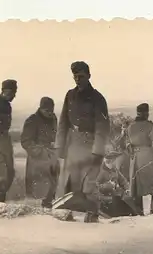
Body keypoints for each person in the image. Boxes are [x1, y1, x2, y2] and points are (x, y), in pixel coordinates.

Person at [54, 61, 110, 223]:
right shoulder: (70, 95)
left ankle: (92, 215)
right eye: (75, 76)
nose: (78, 79)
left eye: (81, 76)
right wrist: (60, 145)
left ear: (89, 76)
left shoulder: (97, 98)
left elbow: (102, 126)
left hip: (90, 144)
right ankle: (69, 214)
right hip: (73, 143)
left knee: (89, 183)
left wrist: (97, 150)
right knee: (72, 180)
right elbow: (63, 121)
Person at [20, 97, 60, 208]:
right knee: (37, 193)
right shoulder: (32, 120)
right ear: (41, 108)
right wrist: (40, 152)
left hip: (51, 158)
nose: (49, 113)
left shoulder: (53, 118)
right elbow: (25, 141)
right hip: (37, 161)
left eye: (51, 111)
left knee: (51, 191)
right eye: (47, 111)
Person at [126, 103, 153, 215]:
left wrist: (132, 153)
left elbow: (127, 144)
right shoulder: (149, 126)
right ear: (146, 113)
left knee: (137, 188)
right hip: (148, 157)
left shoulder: (130, 127)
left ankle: (139, 212)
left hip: (135, 160)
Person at [0, 79, 18, 202]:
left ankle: (0, 201)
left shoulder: (6, 105)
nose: (14, 96)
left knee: (9, 173)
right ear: (6, 91)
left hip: (4, 140)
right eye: (13, 93)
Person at [96, 151, 138, 217]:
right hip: (105, 196)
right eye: (115, 161)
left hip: (116, 193)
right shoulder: (100, 171)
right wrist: (107, 186)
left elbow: (123, 180)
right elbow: (95, 186)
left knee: (128, 199)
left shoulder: (114, 169)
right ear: (111, 161)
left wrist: (127, 188)